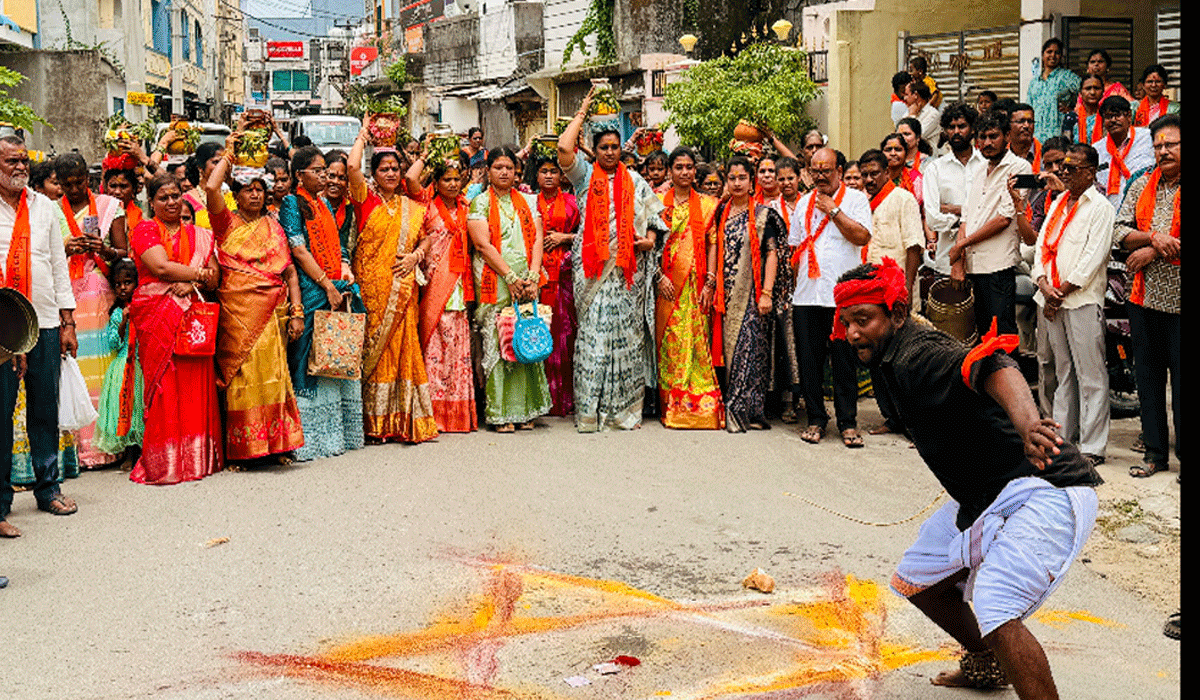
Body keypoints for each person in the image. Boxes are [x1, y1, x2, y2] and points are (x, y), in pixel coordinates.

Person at [834, 258, 1102, 700]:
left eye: (863, 320)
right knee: (918, 576)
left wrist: (1029, 426)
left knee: (996, 603)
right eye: (846, 322)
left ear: (897, 314)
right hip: (989, 495)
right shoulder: (891, 354)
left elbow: (995, 365)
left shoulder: (919, 355)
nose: (853, 333)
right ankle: (987, 661)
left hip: (1044, 488)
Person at [558, 89, 665, 433]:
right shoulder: (585, 177)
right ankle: (590, 412)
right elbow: (563, 149)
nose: (608, 152)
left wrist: (647, 241)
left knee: (626, 341)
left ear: (622, 150)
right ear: (595, 149)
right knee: (593, 341)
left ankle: (622, 412)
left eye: (614, 147)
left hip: (625, 274)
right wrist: (583, 110)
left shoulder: (635, 181)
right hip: (592, 272)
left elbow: (654, 222)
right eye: (602, 147)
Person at [207, 135, 305, 464]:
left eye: (260, 190)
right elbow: (210, 188)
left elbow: (289, 271)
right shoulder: (225, 223)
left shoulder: (273, 225)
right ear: (235, 195)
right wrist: (231, 153)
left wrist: (297, 312)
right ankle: (242, 450)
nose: (255, 194)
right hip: (237, 316)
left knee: (275, 377)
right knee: (241, 378)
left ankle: (278, 446)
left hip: (273, 314)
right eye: (248, 189)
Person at [0, 136, 80, 537]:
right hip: (1, 329)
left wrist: (68, 322)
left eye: (23, 161)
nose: (19, 168)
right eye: (11, 161)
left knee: (44, 409)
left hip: (46, 320)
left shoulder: (44, 206)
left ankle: (48, 489)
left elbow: (59, 267)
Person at [124, 171, 223, 485]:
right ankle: (166, 463)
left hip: (192, 319)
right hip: (158, 317)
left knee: (195, 384)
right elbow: (160, 267)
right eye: (163, 197)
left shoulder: (199, 234)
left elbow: (215, 277)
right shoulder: (144, 230)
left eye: (175, 196)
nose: (170, 202)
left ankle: (197, 460)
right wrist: (194, 275)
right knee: (165, 386)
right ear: (151, 202)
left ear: (183, 198)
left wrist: (193, 278)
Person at [347, 130, 439, 445]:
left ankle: (406, 421)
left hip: (403, 287)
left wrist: (416, 255)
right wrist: (363, 133)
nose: (390, 173)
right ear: (374, 174)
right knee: (375, 352)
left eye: (395, 169)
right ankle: (375, 423)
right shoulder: (365, 199)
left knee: (405, 349)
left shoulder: (411, 205)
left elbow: (426, 235)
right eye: (384, 169)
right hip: (372, 289)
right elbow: (351, 169)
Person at [1025, 143, 1113, 467]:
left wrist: (1057, 293)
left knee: (1090, 375)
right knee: (1063, 373)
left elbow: (1092, 260)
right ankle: (1063, 440)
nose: (1064, 172)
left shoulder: (1100, 207)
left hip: (1081, 301)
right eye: (1063, 166)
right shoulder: (1059, 202)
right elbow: (1041, 250)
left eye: (1071, 168)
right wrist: (1045, 287)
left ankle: (1093, 446)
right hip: (1053, 298)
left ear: (1090, 172)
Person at [281, 146, 366, 462]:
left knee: (335, 354)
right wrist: (328, 285)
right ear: (299, 174)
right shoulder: (293, 203)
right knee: (309, 359)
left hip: (332, 282)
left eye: (325, 171)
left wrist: (344, 271)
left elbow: (340, 246)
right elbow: (299, 251)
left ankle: (336, 437)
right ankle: (310, 441)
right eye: (317, 171)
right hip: (311, 286)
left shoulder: (324, 205)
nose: (323, 176)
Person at [788, 147, 872, 447]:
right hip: (807, 295)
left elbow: (862, 237)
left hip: (842, 297)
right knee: (810, 361)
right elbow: (795, 248)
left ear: (839, 171)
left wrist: (833, 211)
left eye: (826, 170)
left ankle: (848, 422)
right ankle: (815, 419)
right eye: (815, 170)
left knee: (844, 360)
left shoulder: (856, 199)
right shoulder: (802, 203)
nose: (820, 175)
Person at [1113, 113, 1180, 479]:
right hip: (1143, 298)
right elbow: (1119, 231)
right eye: (1157, 146)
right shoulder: (1141, 185)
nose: (1163, 151)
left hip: (1182, 300)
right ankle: (1155, 453)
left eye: (1170, 144)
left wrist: (1152, 249)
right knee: (1149, 380)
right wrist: (1154, 237)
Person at [467, 147, 552, 432]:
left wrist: (531, 275)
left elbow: (538, 238)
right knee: (499, 341)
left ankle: (527, 409)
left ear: (517, 171)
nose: (504, 172)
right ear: (488, 171)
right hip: (496, 279)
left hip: (527, 280)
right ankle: (501, 412)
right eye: (498, 167)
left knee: (526, 338)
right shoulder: (479, 203)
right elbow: (482, 245)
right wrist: (511, 276)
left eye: (509, 167)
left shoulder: (529, 200)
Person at [55, 153, 128, 468]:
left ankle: (107, 444)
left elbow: (124, 252)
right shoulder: (52, 210)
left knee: (103, 371)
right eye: (67, 184)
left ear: (89, 177)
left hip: (99, 297)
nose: (74, 189)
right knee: (75, 370)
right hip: (68, 300)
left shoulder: (110, 206)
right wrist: (65, 248)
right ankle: (77, 452)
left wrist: (105, 250)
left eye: (79, 181)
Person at [716, 156, 792, 432]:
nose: (737, 183)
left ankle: (745, 411)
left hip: (754, 292)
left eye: (742, 178)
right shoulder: (720, 212)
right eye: (732, 178)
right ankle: (741, 409)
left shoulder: (764, 215)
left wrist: (767, 293)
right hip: (725, 295)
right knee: (730, 351)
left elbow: (772, 254)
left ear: (752, 181)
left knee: (752, 351)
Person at [655, 147, 724, 430]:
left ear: (695, 171)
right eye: (679, 167)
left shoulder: (709, 204)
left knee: (697, 341)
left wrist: (710, 281)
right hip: (666, 284)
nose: (684, 172)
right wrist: (658, 276)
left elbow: (712, 242)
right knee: (670, 340)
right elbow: (651, 244)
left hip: (695, 286)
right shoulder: (657, 201)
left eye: (689, 167)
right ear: (670, 171)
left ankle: (697, 405)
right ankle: (669, 403)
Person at [858, 148, 924, 436]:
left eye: (875, 173)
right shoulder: (860, 203)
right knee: (876, 356)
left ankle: (913, 421)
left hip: (897, 291)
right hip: (869, 293)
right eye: (865, 175)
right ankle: (890, 416)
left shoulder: (902, 199)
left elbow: (913, 246)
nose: (870, 179)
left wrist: (906, 290)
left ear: (887, 172)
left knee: (903, 356)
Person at [950, 109, 1031, 338]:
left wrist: (961, 245)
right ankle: (989, 376)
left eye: (993, 136)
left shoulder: (1020, 168)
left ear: (1007, 136)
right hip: (974, 266)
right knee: (981, 335)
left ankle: (1008, 375)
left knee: (1002, 335)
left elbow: (1005, 219)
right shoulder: (977, 171)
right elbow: (966, 218)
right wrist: (958, 260)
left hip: (999, 265)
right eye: (982, 138)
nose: (987, 143)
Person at [415, 155, 479, 433]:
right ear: (436, 182)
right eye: (446, 179)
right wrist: (426, 155)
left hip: (461, 287)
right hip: (433, 287)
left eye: (456, 178)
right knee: (434, 351)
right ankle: (433, 415)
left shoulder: (468, 208)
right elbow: (411, 180)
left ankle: (456, 415)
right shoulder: (426, 208)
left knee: (458, 353)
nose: (452, 184)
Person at [532, 154, 580, 417]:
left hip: (565, 277)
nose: (549, 176)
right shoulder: (527, 203)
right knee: (536, 333)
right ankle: (539, 399)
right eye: (543, 171)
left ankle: (565, 399)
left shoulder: (574, 203)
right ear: (536, 175)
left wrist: (566, 238)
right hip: (535, 277)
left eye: (554, 171)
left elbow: (589, 235)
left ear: (562, 176)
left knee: (565, 336)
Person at [924, 102, 986, 278]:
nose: (956, 132)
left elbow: (994, 212)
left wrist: (953, 209)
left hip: (985, 262)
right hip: (947, 262)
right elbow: (932, 218)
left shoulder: (986, 165)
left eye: (962, 126)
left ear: (973, 129)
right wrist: (969, 221)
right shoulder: (935, 169)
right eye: (951, 127)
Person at [92, 257, 142, 470]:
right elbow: (114, 342)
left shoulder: (144, 307)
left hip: (141, 366)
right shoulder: (116, 314)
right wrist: (123, 321)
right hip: (123, 366)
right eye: (118, 284)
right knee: (126, 410)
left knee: (139, 410)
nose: (123, 288)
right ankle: (128, 454)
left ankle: (143, 452)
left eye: (127, 283)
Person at [1094, 96, 1154, 209]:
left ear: (1129, 116)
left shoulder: (1148, 138)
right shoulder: (1097, 149)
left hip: (1144, 205)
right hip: (1109, 211)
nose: (1113, 120)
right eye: (1108, 117)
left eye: (1117, 115)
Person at [1027, 38, 1081, 143]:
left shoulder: (1067, 77)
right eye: (1049, 52)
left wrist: (1073, 111)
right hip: (1036, 137)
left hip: (1058, 136)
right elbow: (1028, 109)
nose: (1053, 55)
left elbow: (1087, 93)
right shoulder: (1034, 82)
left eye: (1057, 53)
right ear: (1043, 55)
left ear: (1060, 57)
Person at [180, 141, 227, 230]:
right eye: (216, 162)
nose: (221, 167)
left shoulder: (233, 195)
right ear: (200, 167)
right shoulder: (187, 199)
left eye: (223, 162)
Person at [323, 149, 357, 260]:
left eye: (342, 178)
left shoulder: (351, 210)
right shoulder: (311, 206)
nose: (336, 182)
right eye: (331, 176)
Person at [900, 80, 942, 154]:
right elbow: (899, 133)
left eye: (907, 94)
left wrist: (912, 116)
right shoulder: (909, 111)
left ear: (916, 95)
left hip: (927, 158)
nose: (904, 98)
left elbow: (916, 136)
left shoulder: (933, 114)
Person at [1007, 103, 1041, 173]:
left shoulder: (1044, 154)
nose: (1026, 125)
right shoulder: (1001, 155)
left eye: (1030, 121)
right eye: (1021, 121)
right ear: (1009, 125)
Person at [1074, 75, 1105, 146]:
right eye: (1088, 89)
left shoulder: (1107, 117)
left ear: (1103, 92)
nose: (1093, 92)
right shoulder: (1072, 118)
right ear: (1080, 93)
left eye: (1096, 88)